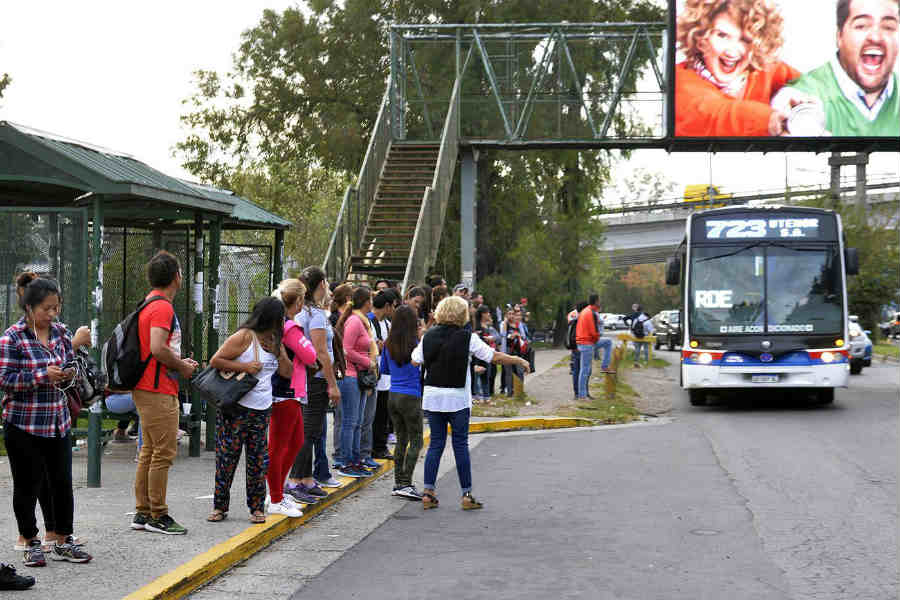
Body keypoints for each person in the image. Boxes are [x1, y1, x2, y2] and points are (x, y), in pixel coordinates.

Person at [1, 273, 92, 566]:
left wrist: (69, 372)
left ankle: (64, 539)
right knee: (27, 485)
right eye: (46, 309)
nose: (52, 314)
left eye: (56, 307)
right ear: (29, 308)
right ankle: (30, 541)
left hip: (57, 421)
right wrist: (42, 375)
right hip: (23, 424)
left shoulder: (61, 332)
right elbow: (5, 379)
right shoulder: (13, 338)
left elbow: (71, 362)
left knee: (62, 482)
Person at [412, 296, 531, 510]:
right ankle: (466, 495)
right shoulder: (468, 337)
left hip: (433, 395)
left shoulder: (428, 336)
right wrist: (518, 360)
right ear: (462, 314)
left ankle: (428, 492)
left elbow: (415, 360)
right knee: (460, 444)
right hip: (458, 397)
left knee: (436, 443)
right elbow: (493, 357)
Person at [129, 251, 199, 535]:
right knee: (163, 453)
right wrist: (182, 366)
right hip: (157, 388)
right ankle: (158, 514)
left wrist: (179, 362)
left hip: (148, 386)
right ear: (176, 277)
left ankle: (143, 511)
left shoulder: (149, 302)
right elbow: (158, 348)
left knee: (149, 450)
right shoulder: (162, 308)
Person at [208, 297, 293, 523]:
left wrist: (279, 352)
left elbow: (287, 372)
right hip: (236, 408)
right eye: (280, 317)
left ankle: (256, 507)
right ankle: (219, 506)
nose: (283, 322)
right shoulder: (245, 336)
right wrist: (244, 366)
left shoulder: (275, 341)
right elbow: (216, 360)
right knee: (227, 458)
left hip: (262, 409)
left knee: (258, 461)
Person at [675, 0, 811, 136]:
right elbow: (714, 114)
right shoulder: (678, 79)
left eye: (745, 40)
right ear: (700, 37)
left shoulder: (765, 71)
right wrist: (772, 121)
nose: (731, 52)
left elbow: (812, 83)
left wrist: (804, 101)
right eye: (722, 35)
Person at [773, 0, 899, 136]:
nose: (875, 37)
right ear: (839, 36)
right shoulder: (796, 100)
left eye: (888, 27)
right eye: (861, 26)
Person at [287, 267, 344, 495]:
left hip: (307, 377)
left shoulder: (305, 311)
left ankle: (307, 477)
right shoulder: (316, 315)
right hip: (316, 378)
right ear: (322, 284)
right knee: (309, 431)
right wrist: (332, 384)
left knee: (311, 430)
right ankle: (295, 479)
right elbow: (321, 352)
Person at [267, 279, 318, 511]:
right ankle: (275, 497)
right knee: (278, 447)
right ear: (297, 300)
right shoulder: (289, 327)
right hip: (284, 391)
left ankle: (277, 491)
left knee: (295, 442)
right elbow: (310, 355)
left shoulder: (283, 324)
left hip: (289, 391)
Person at [380, 305, 424, 500]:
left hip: (393, 394)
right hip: (411, 395)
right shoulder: (415, 343)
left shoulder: (388, 343)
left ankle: (398, 482)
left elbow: (384, 369)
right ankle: (406, 482)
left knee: (401, 439)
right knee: (416, 440)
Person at [334, 287, 378, 478]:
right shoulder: (354, 321)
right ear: (366, 302)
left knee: (358, 421)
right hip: (350, 376)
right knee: (350, 422)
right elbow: (346, 350)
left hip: (358, 377)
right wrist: (368, 362)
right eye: (370, 300)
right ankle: (346, 461)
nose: (372, 303)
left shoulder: (362, 321)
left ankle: (355, 459)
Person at [365, 290, 395, 464]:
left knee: (383, 413)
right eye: (393, 306)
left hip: (385, 377)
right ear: (387, 306)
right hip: (372, 374)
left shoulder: (387, 323)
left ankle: (380, 446)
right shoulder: (368, 321)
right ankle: (371, 448)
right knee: (372, 415)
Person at [575, 294, 611, 401]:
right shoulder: (589, 313)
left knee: (608, 342)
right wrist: (596, 338)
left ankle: (605, 365)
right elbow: (593, 332)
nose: (600, 302)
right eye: (599, 300)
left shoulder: (586, 311)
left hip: (583, 342)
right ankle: (582, 395)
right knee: (585, 370)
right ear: (596, 301)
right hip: (587, 343)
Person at [473, 305, 500, 401]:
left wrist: (492, 338)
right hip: (477, 354)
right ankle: (475, 396)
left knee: (487, 375)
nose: (489, 314)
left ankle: (486, 397)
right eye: (487, 312)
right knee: (475, 376)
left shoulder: (488, 326)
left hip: (486, 353)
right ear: (482, 314)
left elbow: (498, 336)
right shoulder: (476, 326)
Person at [568, 301, 589, 398]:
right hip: (580, 348)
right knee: (583, 371)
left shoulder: (574, 318)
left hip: (575, 348)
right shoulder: (581, 320)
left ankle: (578, 393)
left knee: (577, 371)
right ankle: (582, 393)